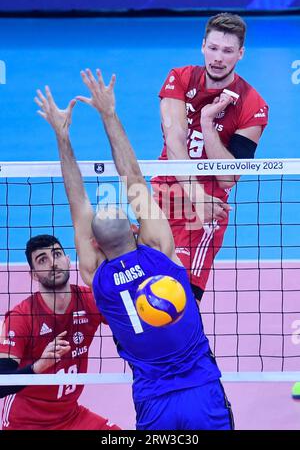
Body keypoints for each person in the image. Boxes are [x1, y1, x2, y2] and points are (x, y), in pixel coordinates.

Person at [34, 69, 234, 430]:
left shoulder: (97, 276)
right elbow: (133, 179)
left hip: (153, 401)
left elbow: (77, 202)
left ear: (94, 244)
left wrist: (62, 135)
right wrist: (109, 113)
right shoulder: (159, 250)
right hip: (202, 391)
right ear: (134, 228)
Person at [151, 13, 269, 302]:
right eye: (213, 48)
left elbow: (228, 178)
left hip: (203, 215)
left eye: (228, 51)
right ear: (203, 46)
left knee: (181, 301)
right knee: (144, 293)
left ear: (240, 54)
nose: (218, 57)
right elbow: (175, 141)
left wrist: (206, 123)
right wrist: (194, 193)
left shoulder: (252, 104)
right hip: (160, 198)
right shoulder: (179, 78)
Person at [0, 234, 120, 430]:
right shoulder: (21, 317)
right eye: (42, 259)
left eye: (56, 254)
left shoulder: (90, 300)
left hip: (70, 416)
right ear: (33, 274)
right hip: (25, 422)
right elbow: (1, 381)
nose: (53, 263)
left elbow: (128, 328)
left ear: (67, 259)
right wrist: (39, 366)